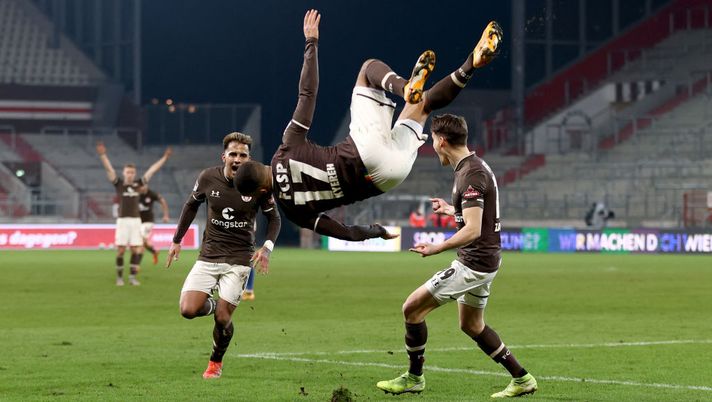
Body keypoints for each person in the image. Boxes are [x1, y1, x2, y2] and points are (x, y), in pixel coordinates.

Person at [234, 10, 502, 242]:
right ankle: (405, 86)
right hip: (362, 152)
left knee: (424, 105)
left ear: (260, 192)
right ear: (258, 164)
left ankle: (471, 65)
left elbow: (344, 232)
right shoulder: (286, 149)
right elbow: (307, 94)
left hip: (388, 177)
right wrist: (311, 42)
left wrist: (377, 231)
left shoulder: (291, 210)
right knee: (368, 69)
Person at [376, 114, 537, 398]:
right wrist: (453, 211)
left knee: (411, 309)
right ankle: (522, 378)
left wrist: (436, 247)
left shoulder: (470, 174)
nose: (432, 146)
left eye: (433, 140)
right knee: (471, 325)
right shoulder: (475, 166)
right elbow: (479, 214)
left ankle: (414, 377)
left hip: (473, 263)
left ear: (441, 141)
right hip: (486, 260)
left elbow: (473, 230)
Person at [166, 131, 280, 379]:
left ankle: (215, 362)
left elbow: (274, 218)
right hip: (208, 256)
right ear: (224, 156)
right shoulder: (208, 177)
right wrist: (177, 240)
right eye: (234, 154)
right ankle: (220, 306)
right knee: (187, 310)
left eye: (243, 155)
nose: (238, 159)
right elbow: (190, 205)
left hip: (239, 260)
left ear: (248, 158)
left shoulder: (259, 182)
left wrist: (267, 248)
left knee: (222, 319)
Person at [96, 141, 172, 286]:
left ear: (134, 173)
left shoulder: (138, 184)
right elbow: (109, 169)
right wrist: (102, 155)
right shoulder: (119, 184)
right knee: (121, 250)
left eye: (132, 172)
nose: (130, 174)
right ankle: (119, 278)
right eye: (127, 172)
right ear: (124, 173)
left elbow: (152, 170)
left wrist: (165, 158)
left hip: (136, 220)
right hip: (123, 220)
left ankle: (131, 277)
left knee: (136, 249)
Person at [138, 184, 170, 264]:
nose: (141, 187)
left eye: (143, 185)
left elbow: (163, 201)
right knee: (143, 242)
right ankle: (154, 251)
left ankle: (136, 265)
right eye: (140, 186)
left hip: (148, 222)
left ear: (146, 185)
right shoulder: (136, 194)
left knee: (140, 242)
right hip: (138, 222)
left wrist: (166, 215)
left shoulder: (151, 194)